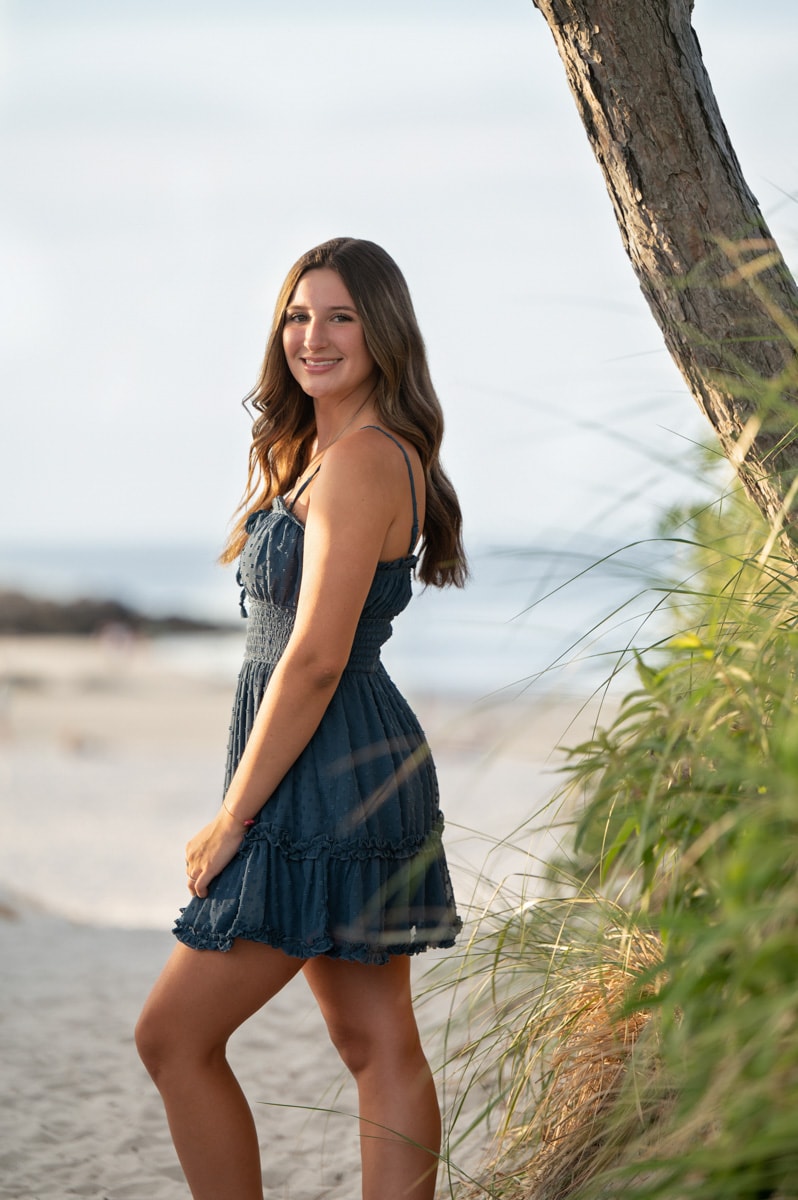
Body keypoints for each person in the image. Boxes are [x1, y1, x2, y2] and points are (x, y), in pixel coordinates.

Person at [135, 236, 467, 1200]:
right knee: (375, 1044)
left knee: (173, 1035)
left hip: (326, 776)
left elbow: (314, 659)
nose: (311, 336)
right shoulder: (329, 453)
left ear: (384, 331)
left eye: (339, 316)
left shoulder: (363, 460)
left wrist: (233, 817)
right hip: (343, 765)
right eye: (297, 314)